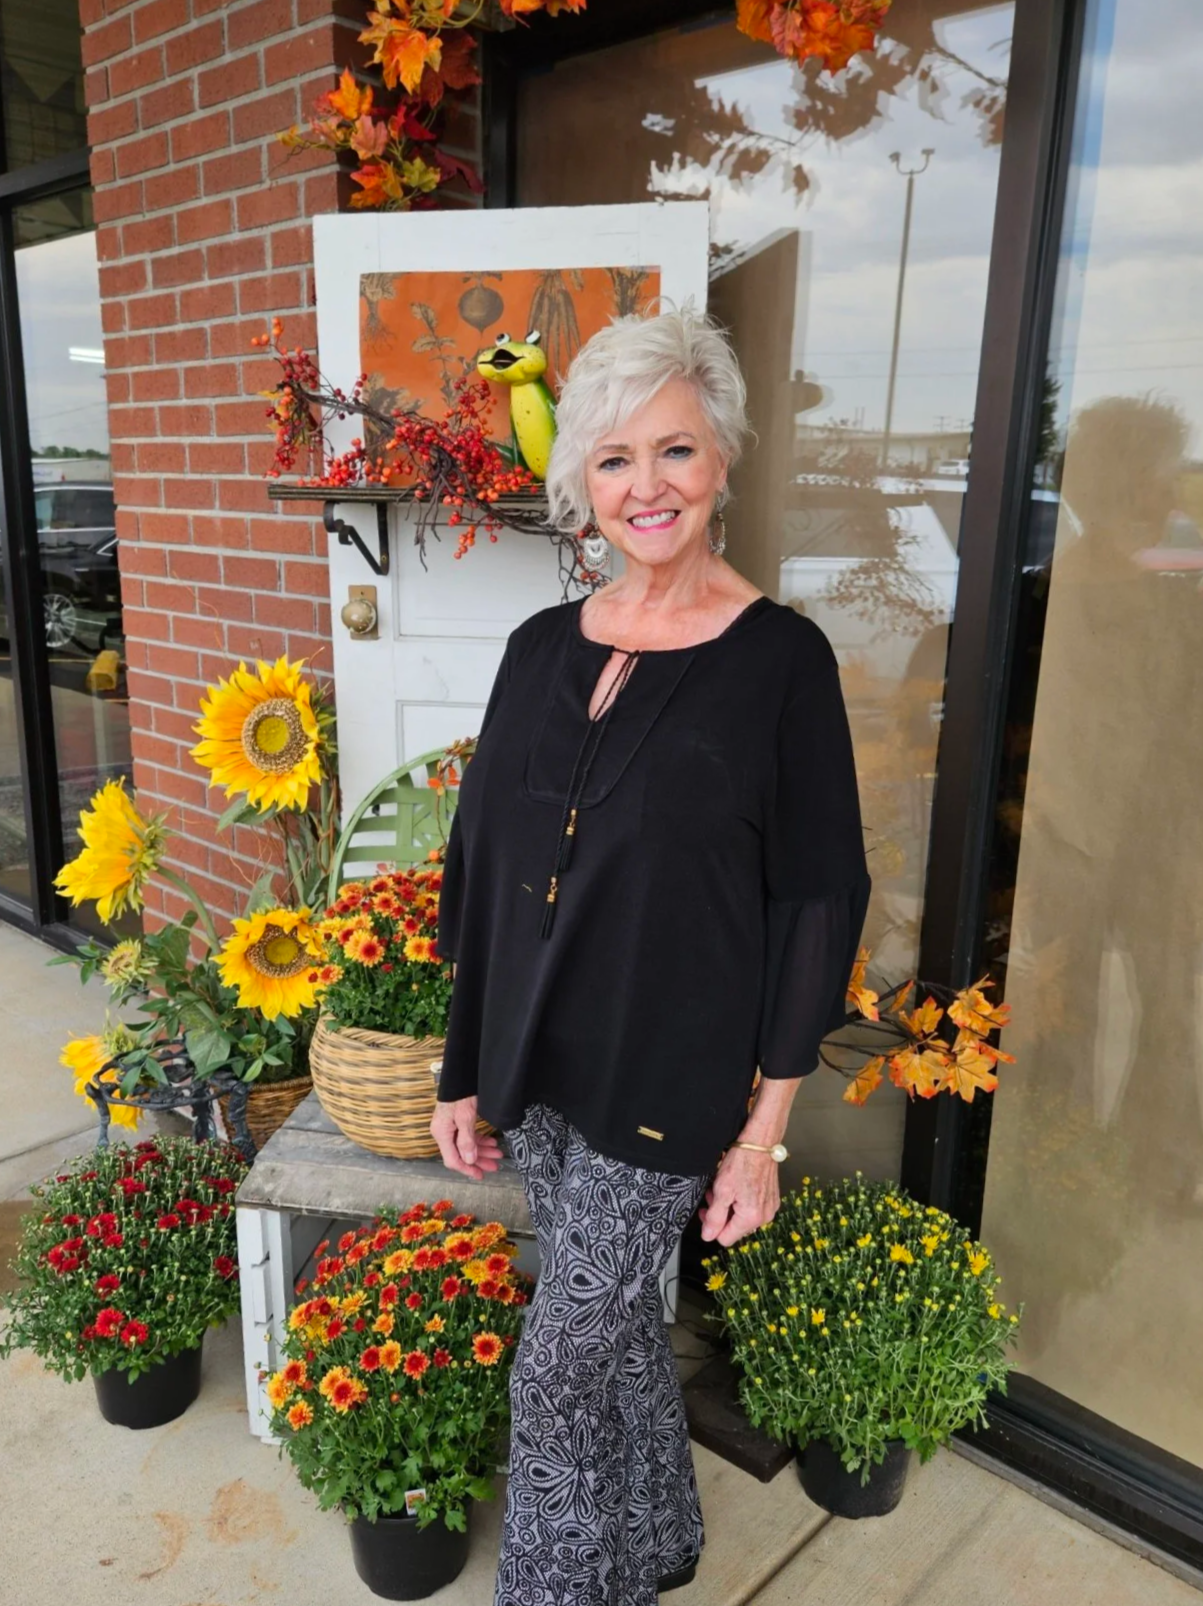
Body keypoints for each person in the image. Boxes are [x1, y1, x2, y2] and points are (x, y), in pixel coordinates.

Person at [431, 306, 871, 1606]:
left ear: (722, 460)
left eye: (673, 450)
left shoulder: (780, 663)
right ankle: (660, 1537)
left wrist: (761, 1132)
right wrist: (463, 1069)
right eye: (614, 459)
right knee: (616, 1333)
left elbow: (816, 895)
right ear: (581, 483)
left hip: (668, 1085)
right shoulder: (536, 652)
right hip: (541, 1066)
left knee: (556, 1365)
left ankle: (561, 1587)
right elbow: (480, 875)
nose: (646, 486)